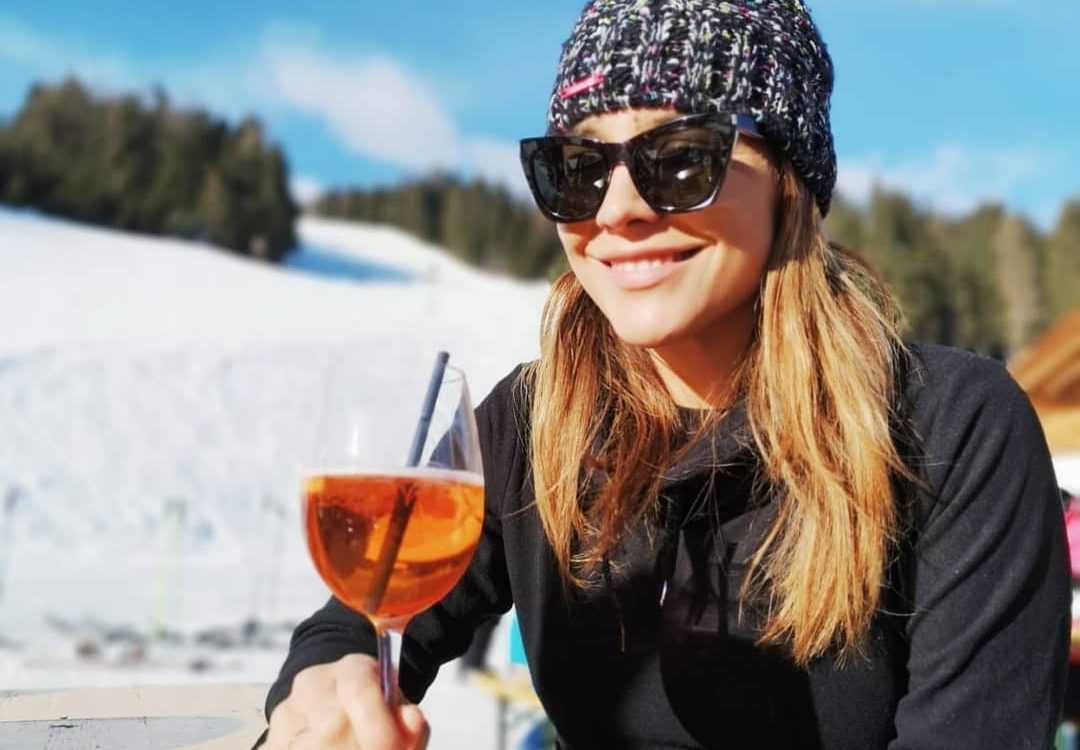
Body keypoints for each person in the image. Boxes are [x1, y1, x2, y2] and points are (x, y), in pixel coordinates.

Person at [257, 1, 1070, 747]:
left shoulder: (946, 429)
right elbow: (357, 624)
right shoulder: (532, 423)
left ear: (789, 184)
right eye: (579, 167)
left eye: (680, 158)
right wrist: (333, 682)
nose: (616, 210)